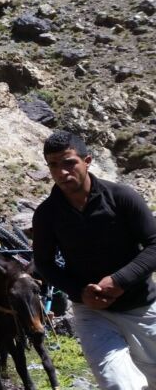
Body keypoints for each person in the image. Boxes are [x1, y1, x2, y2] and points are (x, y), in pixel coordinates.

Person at [32, 130, 156, 390]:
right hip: (92, 313)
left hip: (141, 307)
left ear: (87, 161)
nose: (62, 172)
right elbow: (44, 263)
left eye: (69, 163)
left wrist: (119, 281)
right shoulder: (47, 214)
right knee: (117, 384)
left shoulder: (121, 197)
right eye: (53, 165)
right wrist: (80, 292)